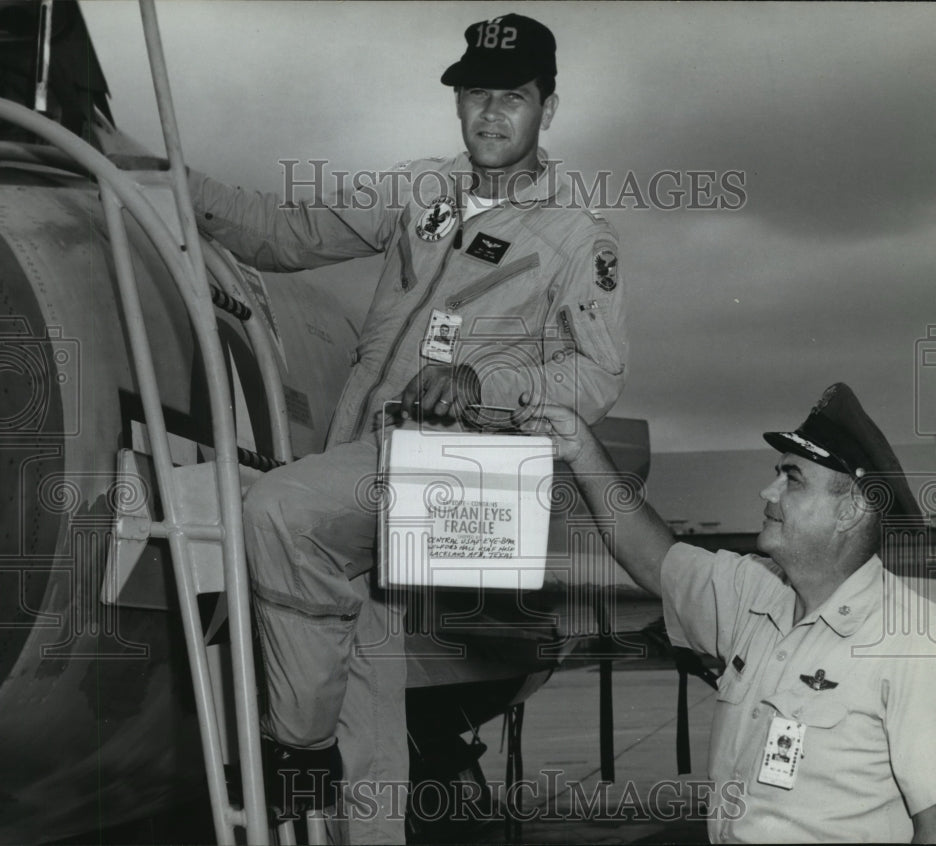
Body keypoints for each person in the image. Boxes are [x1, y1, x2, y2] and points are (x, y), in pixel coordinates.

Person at [187, 13, 627, 843]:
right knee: (370, 698)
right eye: (473, 95)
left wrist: (483, 381)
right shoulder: (419, 190)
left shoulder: (578, 236)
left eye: (513, 97)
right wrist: (176, 181)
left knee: (279, 513)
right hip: (370, 457)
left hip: (455, 472)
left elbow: (597, 372)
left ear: (549, 108)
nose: (490, 114)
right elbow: (288, 234)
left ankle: (297, 749)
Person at [526, 384, 936, 843]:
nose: (768, 490)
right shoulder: (754, 592)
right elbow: (652, 559)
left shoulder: (915, 642)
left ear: (850, 510)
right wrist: (580, 447)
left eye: (793, 478)